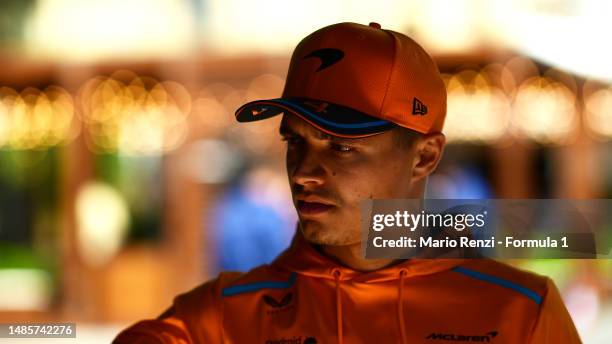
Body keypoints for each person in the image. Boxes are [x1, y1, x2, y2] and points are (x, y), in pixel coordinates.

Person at [113, 22, 581, 343]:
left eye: (341, 146)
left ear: (425, 156)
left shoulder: (520, 312)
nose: (303, 172)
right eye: (295, 142)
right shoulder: (220, 319)